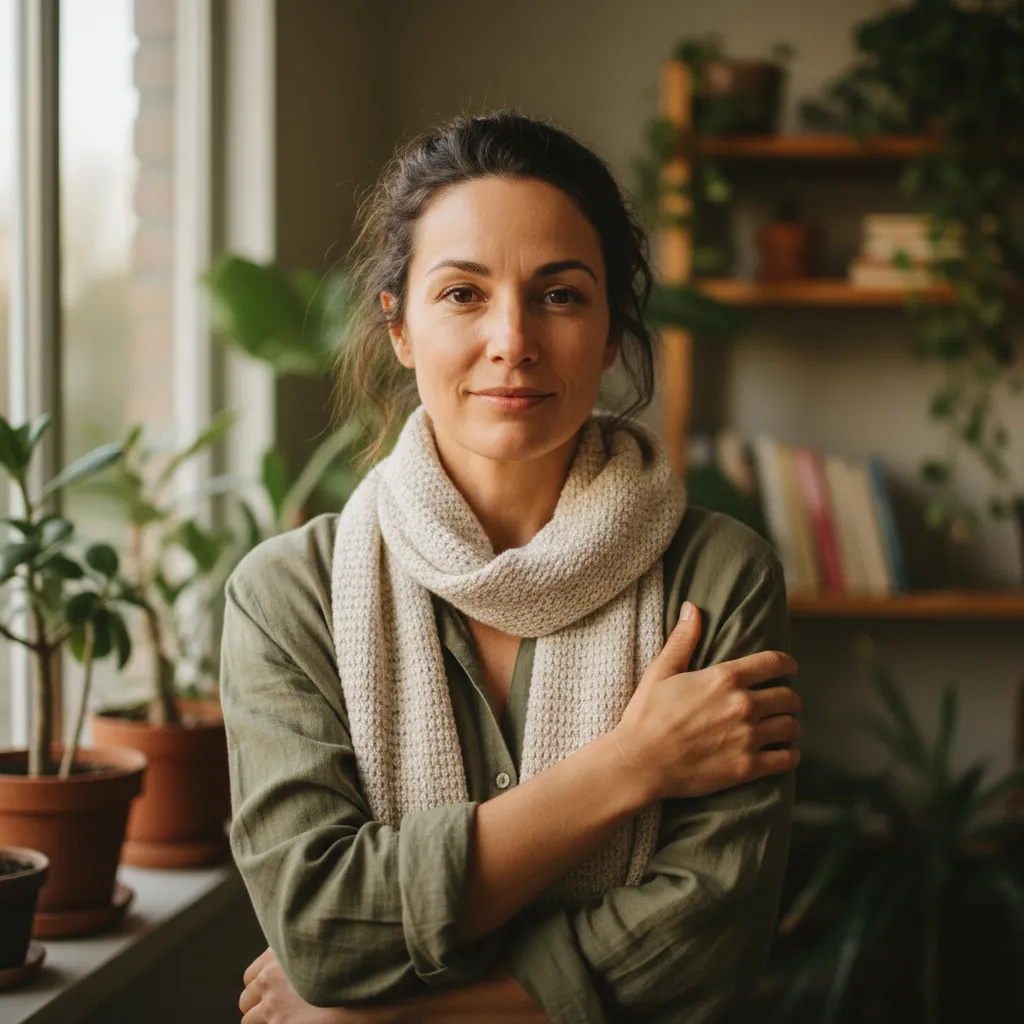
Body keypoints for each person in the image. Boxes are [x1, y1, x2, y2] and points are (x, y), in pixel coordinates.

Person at [225, 110, 801, 1024]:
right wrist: (631, 766)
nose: (512, 340)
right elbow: (323, 928)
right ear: (399, 325)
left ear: (611, 330)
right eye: (463, 293)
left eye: (560, 295)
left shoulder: (718, 578)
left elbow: (704, 951)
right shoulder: (289, 594)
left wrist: (378, 1015)